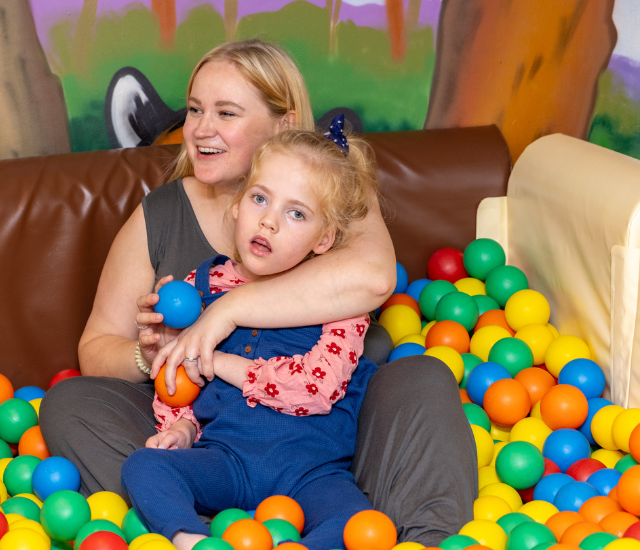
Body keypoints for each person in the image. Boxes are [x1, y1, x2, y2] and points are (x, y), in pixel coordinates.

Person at [39, 39, 476, 545]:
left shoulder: (335, 190)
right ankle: (195, 530)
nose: (200, 129)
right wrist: (151, 354)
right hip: (211, 432)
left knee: (421, 372)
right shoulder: (161, 214)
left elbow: (374, 281)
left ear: (284, 125)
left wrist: (223, 315)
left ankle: (415, 535)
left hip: (329, 437)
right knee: (69, 403)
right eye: (196, 109)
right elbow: (96, 348)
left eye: (226, 113)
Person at [122, 127, 380, 550]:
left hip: (311, 471)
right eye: (260, 198)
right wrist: (182, 424)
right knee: (145, 466)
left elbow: (316, 388)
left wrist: (218, 361)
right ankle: (193, 541)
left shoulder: (342, 298)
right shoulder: (201, 285)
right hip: (227, 460)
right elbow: (178, 381)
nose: (269, 221)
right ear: (239, 204)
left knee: (357, 526)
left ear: (324, 239)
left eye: (296, 214)